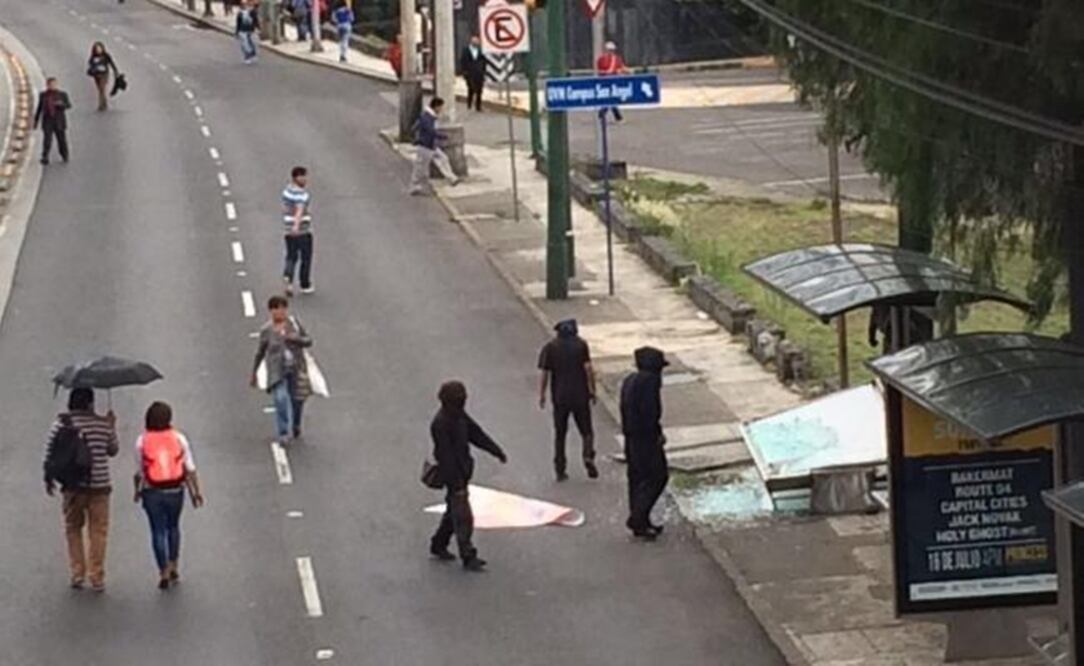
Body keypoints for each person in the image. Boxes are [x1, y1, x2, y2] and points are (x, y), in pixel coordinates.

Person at [42, 388, 120, 591]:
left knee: (73, 528)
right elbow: (113, 450)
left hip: (72, 486)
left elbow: (51, 453)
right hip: (99, 487)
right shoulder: (101, 424)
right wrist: (111, 426)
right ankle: (97, 576)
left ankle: (78, 573)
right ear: (90, 404)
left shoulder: (61, 423)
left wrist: (51, 479)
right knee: (98, 531)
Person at [429, 381, 507, 571]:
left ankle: (438, 544)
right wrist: (457, 485)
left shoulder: (458, 417)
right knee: (463, 517)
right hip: (454, 476)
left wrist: (495, 450)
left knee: (453, 512)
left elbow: (476, 434)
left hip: (463, 471)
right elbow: (445, 456)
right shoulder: (440, 424)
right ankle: (468, 554)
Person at [133, 402, 205, 590]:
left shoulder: (142, 441)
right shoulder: (178, 438)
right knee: (173, 526)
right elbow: (189, 469)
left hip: (152, 491)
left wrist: (137, 491)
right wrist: (196, 493)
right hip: (175, 491)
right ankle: (174, 564)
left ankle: (162, 570)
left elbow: (140, 472)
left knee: (157, 530)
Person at [538, 319, 598, 481]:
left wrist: (542, 394)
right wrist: (593, 390)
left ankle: (560, 468)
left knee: (560, 433)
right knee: (586, 430)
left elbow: (545, 373)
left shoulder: (551, 347)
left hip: (560, 397)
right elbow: (588, 369)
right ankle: (588, 455)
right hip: (580, 395)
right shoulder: (581, 345)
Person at [620, 346, 669, 540]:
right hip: (645, 438)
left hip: (631, 436)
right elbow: (650, 412)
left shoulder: (629, 381)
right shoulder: (650, 382)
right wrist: (657, 434)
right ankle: (638, 517)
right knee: (657, 476)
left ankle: (641, 521)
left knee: (637, 478)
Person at [251, 295, 313, 442]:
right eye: (275, 309)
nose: (279, 312)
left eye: (282, 308)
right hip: (277, 371)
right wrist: (254, 372)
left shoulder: (294, 325)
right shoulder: (267, 331)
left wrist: (295, 339)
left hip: (296, 369)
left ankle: (296, 424)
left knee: (297, 400)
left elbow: (308, 341)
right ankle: (283, 432)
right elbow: (260, 352)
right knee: (280, 399)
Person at [409, 97, 459, 195]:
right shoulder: (427, 117)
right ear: (436, 106)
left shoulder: (427, 116)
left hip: (431, 145)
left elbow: (415, 127)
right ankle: (414, 186)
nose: (441, 110)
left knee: (443, 158)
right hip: (426, 146)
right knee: (421, 168)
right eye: (440, 107)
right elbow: (430, 131)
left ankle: (452, 178)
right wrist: (442, 136)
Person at [281, 166, 315, 295]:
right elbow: (299, 208)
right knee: (306, 257)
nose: (305, 179)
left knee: (291, 256)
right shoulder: (301, 194)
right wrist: (297, 224)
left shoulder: (287, 191)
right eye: (303, 176)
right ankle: (304, 284)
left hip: (287, 229)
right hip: (302, 230)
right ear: (297, 177)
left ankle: (288, 278)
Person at [33, 77, 72, 165]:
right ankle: (45, 156)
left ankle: (64, 154)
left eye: (53, 84)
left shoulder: (62, 94)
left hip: (59, 120)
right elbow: (39, 108)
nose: (52, 86)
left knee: (61, 139)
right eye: (50, 85)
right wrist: (36, 120)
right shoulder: (43, 95)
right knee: (47, 139)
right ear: (47, 85)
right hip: (48, 120)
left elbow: (68, 105)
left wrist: (61, 105)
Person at [596, 41, 627, 123]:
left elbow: (621, 68)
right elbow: (601, 70)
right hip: (605, 81)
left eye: (612, 50)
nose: (610, 52)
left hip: (614, 81)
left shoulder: (616, 59)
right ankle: (616, 117)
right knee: (610, 99)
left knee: (611, 99)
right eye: (609, 50)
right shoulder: (602, 59)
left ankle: (602, 114)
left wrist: (624, 71)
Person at [87, 42, 119, 112]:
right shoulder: (93, 57)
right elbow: (90, 64)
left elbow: (112, 63)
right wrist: (91, 69)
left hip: (104, 74)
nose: (98, 50)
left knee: (102, 88)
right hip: (96, 75)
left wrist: (116, 71)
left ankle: (101, 105)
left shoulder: (106, 56)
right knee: (100, 89)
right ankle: (104, 103)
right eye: (97, 49)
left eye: (99, 48)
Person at [459, 34, 486, 112]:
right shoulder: (466, 50)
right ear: (471, 41)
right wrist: (464, 72)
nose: (476, 42)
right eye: (474, 40)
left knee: (479, 90)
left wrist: (483, 71)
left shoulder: (481, 50)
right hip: (469, 73)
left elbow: (484, 61)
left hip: (479, 73)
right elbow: (463, 61)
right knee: (471, 88)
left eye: (477, 40)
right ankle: (469, 104)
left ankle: (478, 106)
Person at [236, 0, 260, 64]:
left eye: (245, 4)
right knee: (244, 44)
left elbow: (255, 20)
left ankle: (253, 54)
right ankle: (247, 56)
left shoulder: (251, 11)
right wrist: (237, 31)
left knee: (251, 42)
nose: (244, 6)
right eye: (242, 4)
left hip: (250, 30)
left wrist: (258, 28)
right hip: (242, 30)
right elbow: (238, 23)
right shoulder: (240, 13)